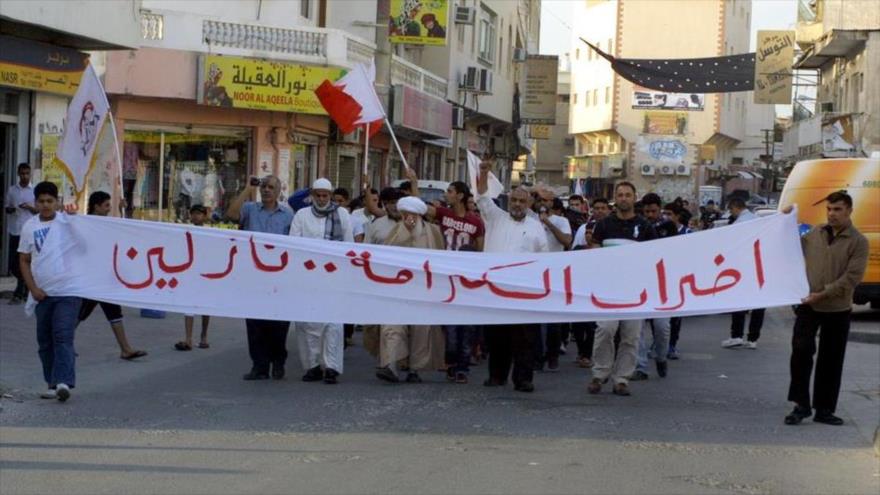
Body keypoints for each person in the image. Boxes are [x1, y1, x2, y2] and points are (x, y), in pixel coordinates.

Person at [784, 192, 869, 426]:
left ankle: (824, 409)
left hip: (837, 309)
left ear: (849, 210)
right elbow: (791, 247)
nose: (832, 213)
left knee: (831, 360)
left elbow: (852, 277)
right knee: (800, 352)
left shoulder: (858, 241)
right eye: (829, 209)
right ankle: (800, 405)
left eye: (838, 209)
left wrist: (823, 293)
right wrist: (784, 221)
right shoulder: (815, 233)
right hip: (808, 307)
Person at [477, 158, 549, 393]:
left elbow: (545, 261)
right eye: (514, 200)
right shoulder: (495, 218)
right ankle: (497, 376)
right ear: (508, 201)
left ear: (528, 203)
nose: (517, 204)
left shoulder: (537, 227)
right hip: (495, 290)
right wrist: (483, 172)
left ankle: (523, 379)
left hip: (524, 293)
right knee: (497, 336)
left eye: (522, 201)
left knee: (524, 338)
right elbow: (482, 197)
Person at [410, 173, 485, 383]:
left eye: (450, 191)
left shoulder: (476, 222)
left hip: (466, 280)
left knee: (467, 326)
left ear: (460, 196)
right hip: (445, 276)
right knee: (450, 326)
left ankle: (463, 366)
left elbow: (481, 252)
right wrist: (415, 183)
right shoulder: (444, 214)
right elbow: (420, 208)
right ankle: (451, 361)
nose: (447, 195)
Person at [587, 182, 657, 396]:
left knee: (631, 336)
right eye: (620, 195)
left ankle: (622, 379)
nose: (624, 198)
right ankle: (599, 374)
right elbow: (594, 253)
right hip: (608, 290)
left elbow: (653, 257)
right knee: (605, 330)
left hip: (635, 292)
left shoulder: (645, 227)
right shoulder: (604, 225)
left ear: (634, 198)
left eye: (628, 195)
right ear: (615, 199)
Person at [227, 175, 294, 381]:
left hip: (279, 275)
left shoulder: (288, 214)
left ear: (279, 191)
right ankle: (259, 365)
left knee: (278, 322)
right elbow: (231, 214)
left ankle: (278, 361)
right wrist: (248, 188)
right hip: (254, 274)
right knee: (255, 323)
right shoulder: (250, 209)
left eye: (271, 187)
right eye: (263, 187)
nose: (266, 190)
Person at [18, 181, 80, 402]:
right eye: (41, 201)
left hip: (68, 290)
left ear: (57, 202)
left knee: (62, 335)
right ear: (35, 202)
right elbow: (24, 260)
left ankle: (64, 382)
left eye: (50, 201)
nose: (45, 205)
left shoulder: (67, 223)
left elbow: (87, 241)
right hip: (42, 293)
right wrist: (33, 288)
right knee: (45, 341)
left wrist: (75, 216)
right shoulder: (30, 227)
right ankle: (52, 383)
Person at [375, 196, 446, 383]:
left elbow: (440, 258)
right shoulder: (395, 231)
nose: (409, 218)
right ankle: (390, 365)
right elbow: (387, 255)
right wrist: (405, 230)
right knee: (391, 326)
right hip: (398, 288)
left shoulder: (433, 232)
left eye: (412, 215)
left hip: (423, 289)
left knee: (421, 331)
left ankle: (415, 369)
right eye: (405, 214)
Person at [290, 178, 353, 384]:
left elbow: (348, 245)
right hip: (307, 276)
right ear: (312, 195)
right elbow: (294, 244)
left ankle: (332, 367)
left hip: (333, 276)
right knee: (308, 323)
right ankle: (312, 366)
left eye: (325, 195)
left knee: (333, 324)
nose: (321, 199)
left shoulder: (342, 214)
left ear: (330, 195)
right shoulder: (302, 215)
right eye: (318, 195)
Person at [76, 191, 148, 361]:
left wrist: (123, 211)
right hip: (92, 280)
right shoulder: (86, 224)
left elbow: (123, 231)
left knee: (114, 313)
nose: (109, 209)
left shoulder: (106, 223)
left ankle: (125, 348)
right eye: (106, 205)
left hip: (106, 278)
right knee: (80, 314)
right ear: (96, 206)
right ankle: (61, 343)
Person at [631, 193, 676, 381]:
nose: (649, 214)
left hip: (662, 285)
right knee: (637, 328)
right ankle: (640, 366)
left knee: (662, 327)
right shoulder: (637, 226)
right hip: (639, 284)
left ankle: (661, 356)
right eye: (646, 211)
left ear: (660, 210)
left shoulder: (668, 227)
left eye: (653, 211)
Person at [721, 198, 765, 350]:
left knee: (739, 301)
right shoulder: (757, 220)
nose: (731, 213)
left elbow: (733, 246)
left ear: (735, 206)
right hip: (759, 268)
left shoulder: (740, 223)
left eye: (731, 210)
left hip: (743, 269)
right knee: (759, 305)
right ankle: (753, 339)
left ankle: (736, 336)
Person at [176, 204, 211, 351]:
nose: (196, 216)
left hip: (205, 273)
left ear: (204, 216)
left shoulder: (209, 233)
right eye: (194, 214)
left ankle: (204, 336)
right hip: (190, 272)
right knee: (188, 306)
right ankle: (188, 338)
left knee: (205, 307)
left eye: (199, 214)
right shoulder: (186, 231)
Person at [4, 163, 35, 304]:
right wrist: (12, 209)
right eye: (22, 173)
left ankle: (20, 291)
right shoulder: (12, 190)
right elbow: (6, 208)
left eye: (27, 173)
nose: (25, 176)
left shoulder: (34, 191)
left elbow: (39, 211)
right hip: (15, 231)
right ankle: (23, 287)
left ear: (30, 174)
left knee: (25, 262)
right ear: (18, 174)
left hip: (28, 233)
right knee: (13, 264)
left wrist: (29, 207)